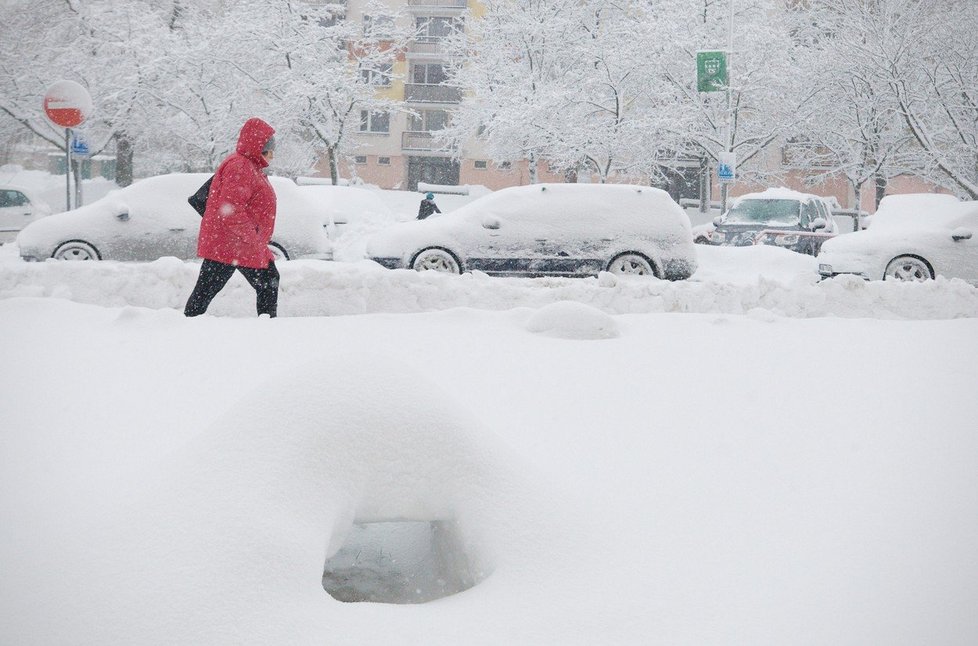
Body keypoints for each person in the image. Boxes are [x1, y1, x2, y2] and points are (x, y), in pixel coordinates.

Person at [184, 117, 280, 318]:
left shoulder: (251, 166)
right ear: (260, 146)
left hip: (235, 244)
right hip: (231, 244)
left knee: (207, 290)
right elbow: (231, 209)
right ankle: (269, 327)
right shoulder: (241, 166)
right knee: (267, 281)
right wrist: (253, 238)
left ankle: (188, 323)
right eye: (270, 147)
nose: (273, 153)